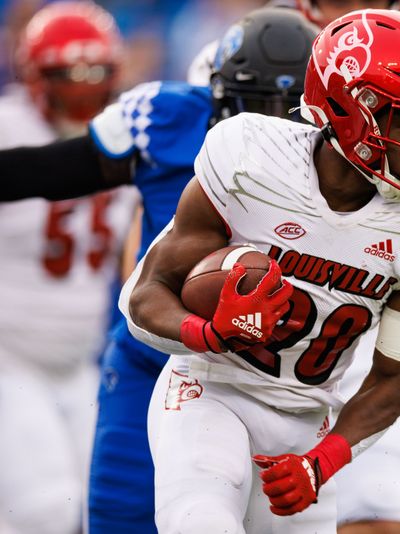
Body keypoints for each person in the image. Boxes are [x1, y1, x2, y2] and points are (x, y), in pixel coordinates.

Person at [123, 9, 400, 534]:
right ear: (352, 109)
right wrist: (209, 333)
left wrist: (323, 461)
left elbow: (395, 378)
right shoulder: (251, 161)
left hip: (307, 421)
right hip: (213, 389)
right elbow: (145, 295)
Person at [0, 7, 319, 534]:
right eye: (257, 105)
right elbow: (59, 168)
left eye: (290, 109)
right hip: (153, 350)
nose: (272, 124)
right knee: (115, 517)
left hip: (265, 373)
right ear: (217, 96)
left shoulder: (342, 163)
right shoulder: (168, 120)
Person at [0, 3, 139, 534]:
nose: (82, 90)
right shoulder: (10, 128)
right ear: (36, 77)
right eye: (68, 76)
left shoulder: (128, 130)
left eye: (95, 74)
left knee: (104, 507)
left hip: (79, 361)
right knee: (43, 510)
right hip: (10, 358)